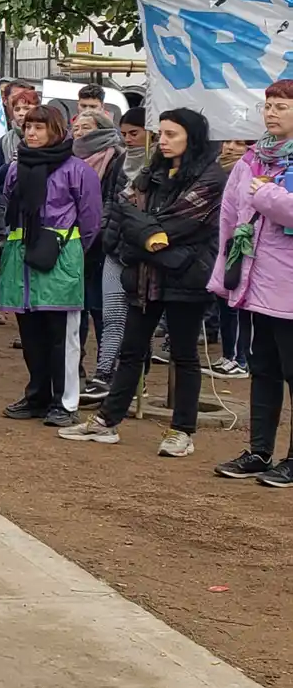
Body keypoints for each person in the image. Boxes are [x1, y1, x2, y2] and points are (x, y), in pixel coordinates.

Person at [60, 108, 224, 457]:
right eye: (161, 133)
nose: (162, 141)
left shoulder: (211, 178)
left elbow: (183, 222)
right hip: (146, 276)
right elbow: (124, 205)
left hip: (186, 277)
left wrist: (145, 229)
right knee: (132, 349)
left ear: (191, 138)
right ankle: (107, 421)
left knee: (183, 354)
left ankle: (181, 430)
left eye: (171, 134)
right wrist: (150, 234)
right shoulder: (152, 171)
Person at [0, 104, 103, 427]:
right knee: (31, 334)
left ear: (55, 130)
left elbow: (91, 219)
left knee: (63, 336)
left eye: (39, 128)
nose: (31, 133)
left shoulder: (77, 170)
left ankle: (65, 401)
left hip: (60, 258)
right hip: (22, 258)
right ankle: (37, 395)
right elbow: (7, 204)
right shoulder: (16, 169)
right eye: (28, 127)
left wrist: (69, 250)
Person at [210, 80, 293, 484]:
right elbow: (229, 218)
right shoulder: (252, 159)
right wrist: (225, 276)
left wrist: (269, 197)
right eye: (268, 106)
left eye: (282, 106)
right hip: (257, 284)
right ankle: (260, 451)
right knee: (263, 369)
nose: (272, 113)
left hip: (290, 289)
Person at [72, 111, 131, 405]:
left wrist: (102, 234)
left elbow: (110, 200)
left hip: (103, 243)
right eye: (77, 127)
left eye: (86, 127)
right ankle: (76, 367)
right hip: (75, 243)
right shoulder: (70, 157)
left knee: (105, 310)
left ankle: (106, 371)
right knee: (77, 307)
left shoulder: (115, 157)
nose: (80, 132)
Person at [0, 85, 39, 324]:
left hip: (35, 211)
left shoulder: (52, 140)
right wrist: (11, 167)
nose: (22, 113)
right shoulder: (5, 141)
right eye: (17, 108)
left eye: (28, 107)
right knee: (2, 253)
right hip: (3, 208)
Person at [205, 137, 255, 381]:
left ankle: (239, 358)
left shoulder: (252, 168)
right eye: (229, 141)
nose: (231, 147)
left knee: (236, 303)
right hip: (220, 242)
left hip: (241, 244)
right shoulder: (216, 168)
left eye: (240, 143)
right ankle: (228, 354)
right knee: (223, 299)